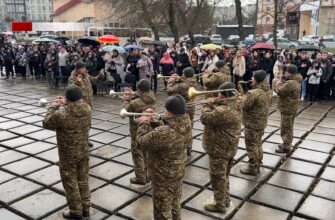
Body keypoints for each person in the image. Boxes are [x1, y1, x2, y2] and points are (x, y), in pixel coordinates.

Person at [136, 95, 192, 220]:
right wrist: (155, 120)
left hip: (162, 176)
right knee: (174, 205)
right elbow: (167, 130)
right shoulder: (186, 122)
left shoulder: (163, 132)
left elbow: (140, 142)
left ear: (169, 111)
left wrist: (144, 122)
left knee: (162, 211)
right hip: (177, 172)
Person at [42, 85, 92, 220]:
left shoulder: (62, 114)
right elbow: (76, 108)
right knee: (83, 180)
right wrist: (67, 102)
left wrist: (53, 106)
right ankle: (86, 208)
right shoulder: (87, 108)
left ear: (68, 98)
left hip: (68, 154)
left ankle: (76, 211)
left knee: (70, 182)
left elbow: (46, 122)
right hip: (83, 151)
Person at [201, 82, 242, 213]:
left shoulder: (223, 111)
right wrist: (216, 102)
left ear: (224, 96)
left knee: (217, 177)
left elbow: (204, 118)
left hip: (219, 148)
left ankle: (219, 205)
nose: (217, 95)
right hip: (229, 147)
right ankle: (225, 198)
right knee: (224, 175)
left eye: (220, 93)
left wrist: (207, 104)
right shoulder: (236, 102)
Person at [122, 79, 156, 185]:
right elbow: (140, 96)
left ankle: (140, 177)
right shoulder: (151, 96)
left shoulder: (136, 103)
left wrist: (126, 99)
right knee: (147, 152)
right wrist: (135, 94)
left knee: (137, 153)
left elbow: (124, 111)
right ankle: (148, 175)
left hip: (137, 129)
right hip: (149, 127)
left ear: (140, 89)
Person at [240, 70, 272, 175]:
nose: (251, 79)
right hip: (261, 122)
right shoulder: (268, 90)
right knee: (258, 143)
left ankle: (252, 167)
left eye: (253, 77)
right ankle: (258, 163)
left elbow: (244, 106)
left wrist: (243, 98)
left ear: (257, 79)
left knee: (251, 145)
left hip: (251, 123)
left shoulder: (253, 93)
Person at [167, 67, 197, 156]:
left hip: (183, 107)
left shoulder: (183, 86)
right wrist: (179, 79)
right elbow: (185, 81)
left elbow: (170, 91)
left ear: (185, 75)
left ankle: (182, 148)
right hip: (191, 106)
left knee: (180, 127)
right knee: (189, 127)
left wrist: (170, 81)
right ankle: (189, 149)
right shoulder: (193, 79)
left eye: (183, 74)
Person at [275, 64, 302, 153]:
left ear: (290, 73)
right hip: (290, 107)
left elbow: (280, 91)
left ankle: (286, 146)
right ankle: (286, 143)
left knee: (286, 128)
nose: (284, 73)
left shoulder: (291, 83)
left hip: (287, 108)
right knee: (288, 126)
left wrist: (278, 84)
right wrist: (282, 81)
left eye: (286, 72)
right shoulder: (295, 80)